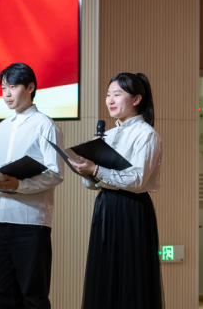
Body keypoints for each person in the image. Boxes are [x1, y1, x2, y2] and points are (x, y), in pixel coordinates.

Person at [0, 63, 64, 309]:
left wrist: (19, 184)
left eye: (13, 86)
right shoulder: (3, 126)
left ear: (30, 87)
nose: (7, 93)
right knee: (3, 291)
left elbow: (56, 173)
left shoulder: (45, 125)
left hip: (31, 219)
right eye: (3, 88)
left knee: (33, 294)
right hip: (0, 218)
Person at [69, 72, 164, 309]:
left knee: (131, 278)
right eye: (108, 94)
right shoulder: (107, 135)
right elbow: (95, 183)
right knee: (104, 276)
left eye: (117, 94)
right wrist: (86, 171)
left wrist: (96, 169)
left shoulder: (146, 134)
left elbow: (137, 180)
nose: (110, 100)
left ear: (136, 99)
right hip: (105, 206)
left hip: (131, 209)